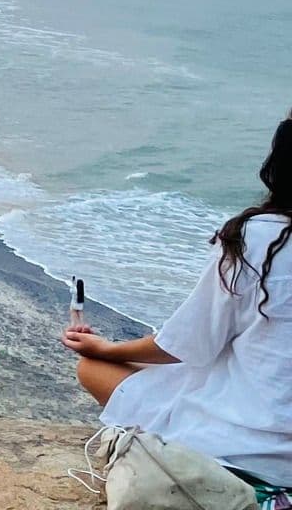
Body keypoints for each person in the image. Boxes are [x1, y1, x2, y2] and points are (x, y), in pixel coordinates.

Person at [65, 113, 292, 488]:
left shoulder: (261, 239)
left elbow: (188, 345)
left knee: (92, 368)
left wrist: (108, 349)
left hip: (245, 449)